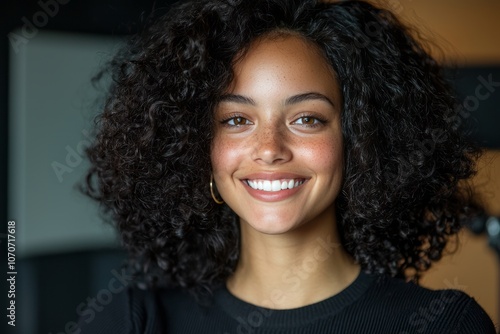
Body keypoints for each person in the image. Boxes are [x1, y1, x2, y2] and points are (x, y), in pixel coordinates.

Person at [78, 0, 497, 332]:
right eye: (236, 120)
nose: (269, 148)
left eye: (306, 119)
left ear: (362, 142)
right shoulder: (137, 320)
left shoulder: (444, 324)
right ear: (195, 147)